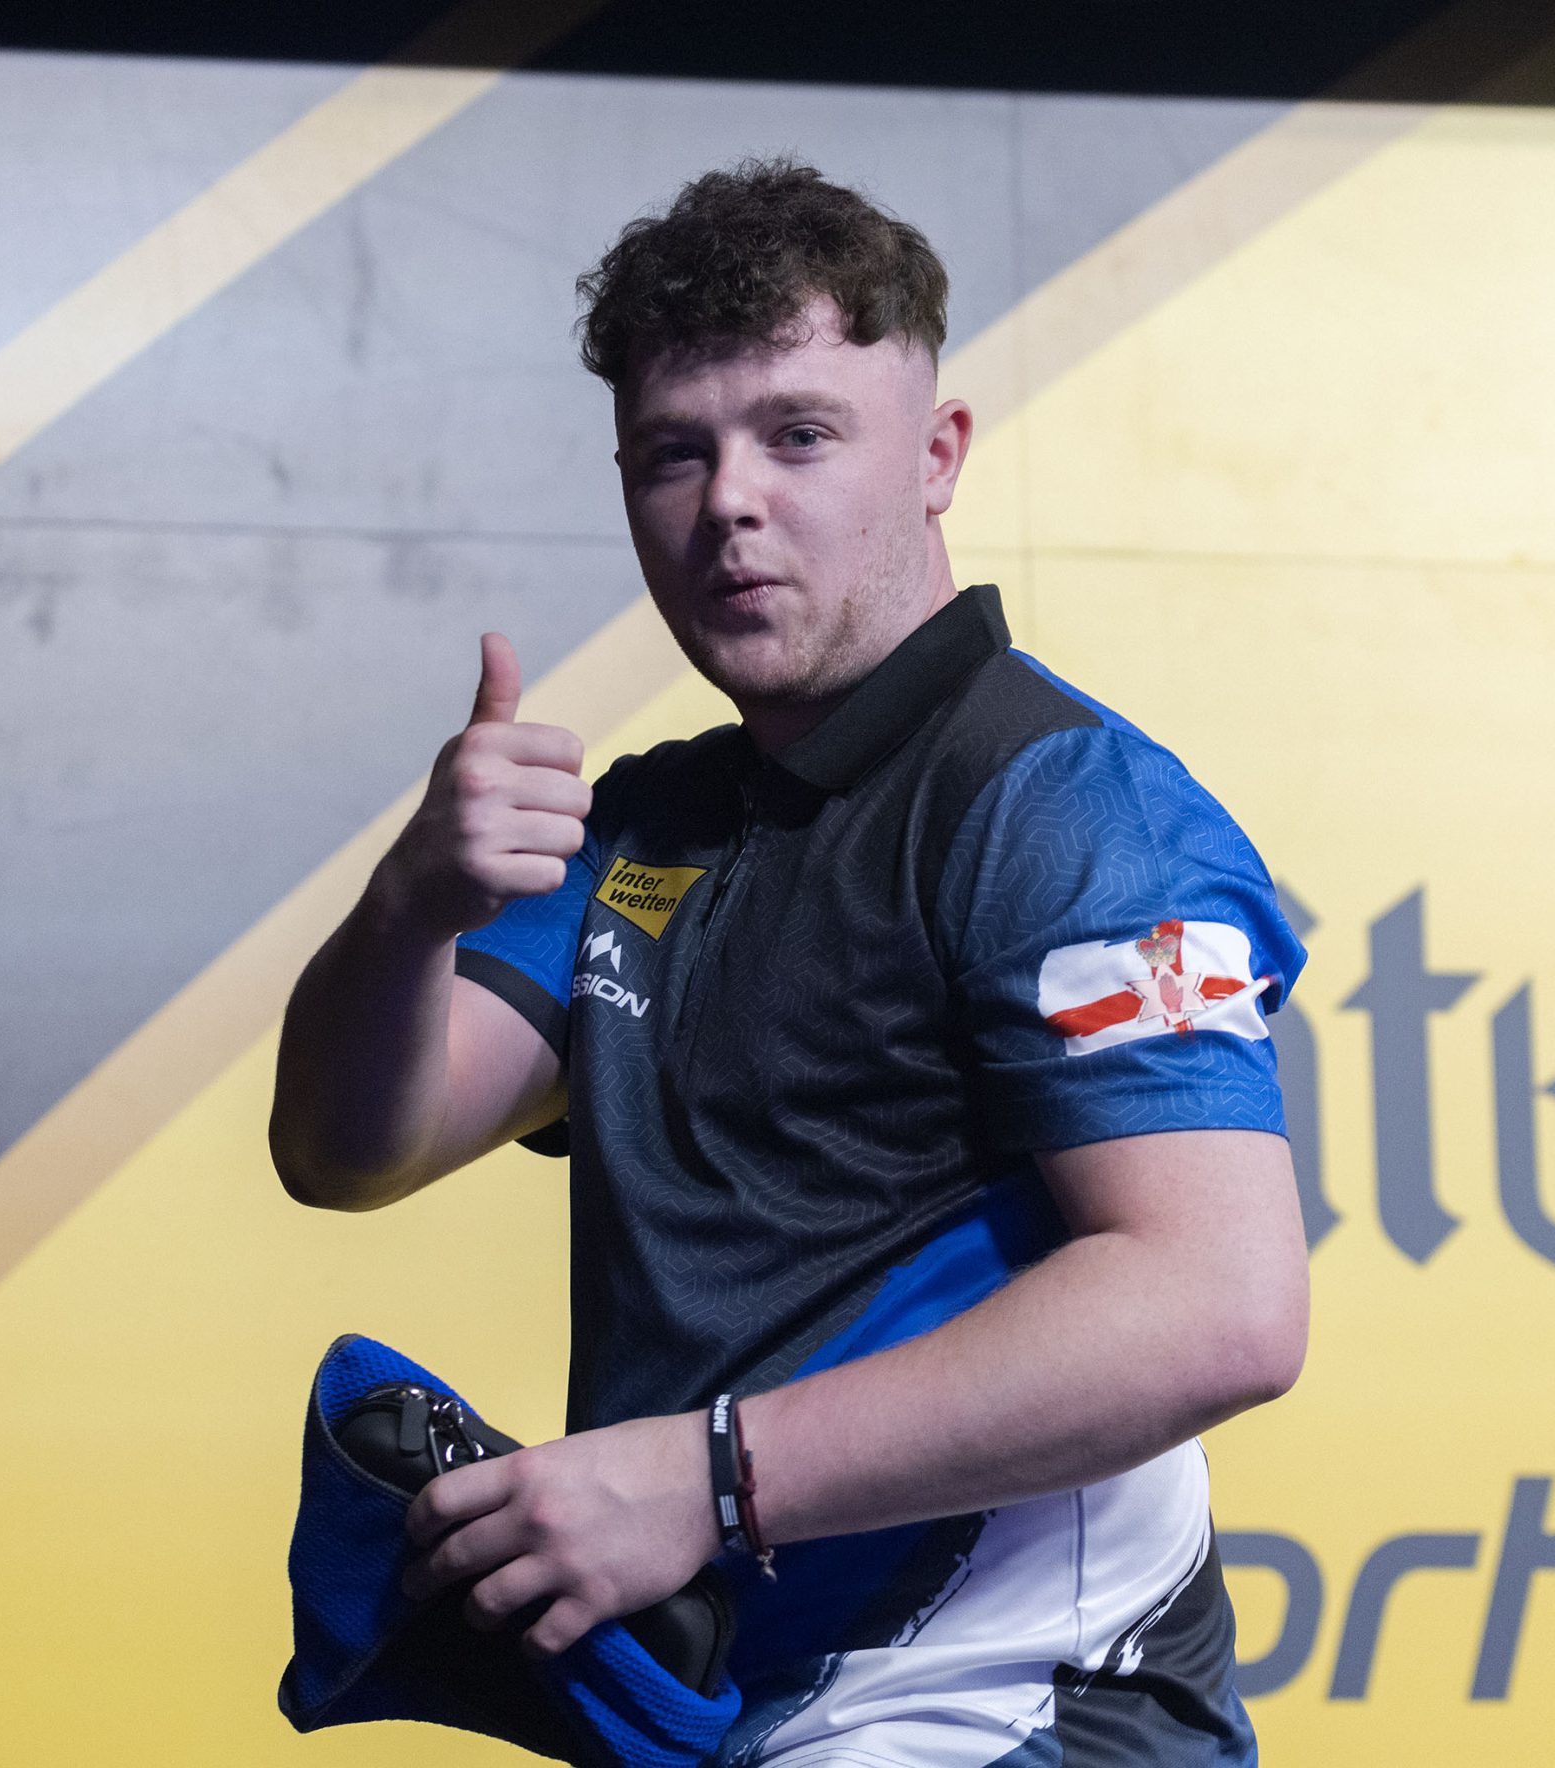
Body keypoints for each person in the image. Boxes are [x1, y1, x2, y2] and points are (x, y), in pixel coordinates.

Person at [269, 158, 1310, 1766]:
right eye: (673, 454)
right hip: (739, 1724)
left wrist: (703, 1481)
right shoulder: (649, 824)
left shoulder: (1063, 806)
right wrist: (409, 904)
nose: (729, 503)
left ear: (938, 455)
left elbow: (1219, 1304)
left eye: (799, 435)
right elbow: (347, 1151)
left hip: (1007, 1715)